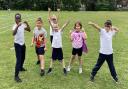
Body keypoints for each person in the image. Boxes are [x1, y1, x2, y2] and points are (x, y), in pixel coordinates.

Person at [12, 13, 31, 82]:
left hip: (23, 44)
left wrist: (27, 23)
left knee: (23, 57)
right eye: (16, 18)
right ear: (15, 19)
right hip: (17, 45)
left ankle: (20, 67)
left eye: (19, 18)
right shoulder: (14, 26)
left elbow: (29, 30)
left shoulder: (22, 25)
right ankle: (16, 76)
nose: (18, 19)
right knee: (19, 60)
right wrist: (17, 26)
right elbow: (13, 33)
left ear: (20, 18)